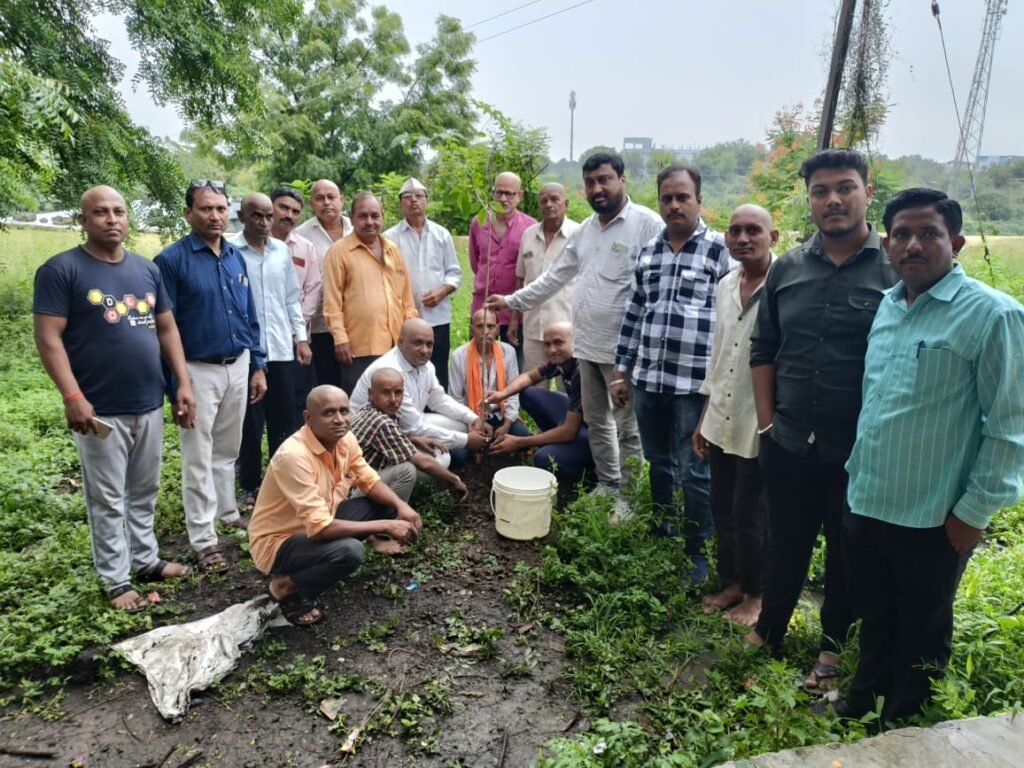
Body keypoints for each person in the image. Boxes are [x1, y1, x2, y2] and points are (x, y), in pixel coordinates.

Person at [818, 189, 1024, 722]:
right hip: (868, 498)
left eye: (928, 233)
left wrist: (973, 514)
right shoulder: (889, 306)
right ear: (887, 245)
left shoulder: (992, 315)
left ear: (955, 242)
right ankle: (862, 701)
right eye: (902, 235)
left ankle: (903, 724)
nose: (914, 244)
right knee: (875, 614)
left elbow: (1010, 427)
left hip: (934, 516)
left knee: (923, 628)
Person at [746, 149, 897, 693]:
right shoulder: (787, 267)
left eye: (845, 187)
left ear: (866, 192)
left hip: (858, 450)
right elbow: (764, 349)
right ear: (808, 199)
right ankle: (770, 628)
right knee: (785, 541)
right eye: (820, 191)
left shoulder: (895, 268)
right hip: (787, 440)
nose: (833, 199)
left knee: (847, 551)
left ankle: (832, 647)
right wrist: (766, 426)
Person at [33, 185, 196, 612]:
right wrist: (72, 395)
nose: (112, 219)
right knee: (106, 498)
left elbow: (166, 329)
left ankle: (145, 560)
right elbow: (48, 338)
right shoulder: (61, 270)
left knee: (144, 490)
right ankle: (117, 579)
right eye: (100, 212)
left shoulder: (146, 270)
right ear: (82, 220)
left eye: (119, 211)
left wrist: (182, 383)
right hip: (99, 408)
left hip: (148, 401)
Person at [488, 152, 662, 503]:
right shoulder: (584, 232)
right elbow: (553, 278)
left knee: (626, 428)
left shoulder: (646, 225)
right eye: (590, 182)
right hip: (585, 346)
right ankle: (608, 485)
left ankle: (627, 497)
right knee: (597, 423)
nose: (597, 188)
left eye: (604, 180)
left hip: (623, 353)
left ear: (622, 181)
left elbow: (658, 289)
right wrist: (511, 301)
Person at [613, 164, 731, 581]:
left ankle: (697, 549)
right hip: (650, 380)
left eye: (683, 197)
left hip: (694, 385)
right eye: (667, 198)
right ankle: (663, 527)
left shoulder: (720, 251)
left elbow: (733, 319)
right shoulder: (649, 252)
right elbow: (634, 315)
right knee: (659, 462)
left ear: (699, 200)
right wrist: (620, 371)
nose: (675, 205)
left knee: (695, 469)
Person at [155, 180, 268, 573]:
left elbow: (249, 315)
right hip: (197, 369)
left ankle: (226, 511)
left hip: (236, 364)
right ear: (188, 214)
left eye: (220, 209)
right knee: (198, 456)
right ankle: (203, 538)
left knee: (227, 447)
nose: (215, 216)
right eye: (206, 209)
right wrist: (178, 384)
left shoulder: (235, 257)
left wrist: (257, 365)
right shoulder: (171, 261)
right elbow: (162, 327)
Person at [249, 385, 422, 625]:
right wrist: (385, 526)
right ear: (308, 418)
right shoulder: (293, 456)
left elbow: (369, 480)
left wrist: (401, 507)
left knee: (388, 504)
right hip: (280, 541)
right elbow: (321, 528)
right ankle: (286, 587)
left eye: (344, 411)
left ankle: (318, 563)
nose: (339, 419)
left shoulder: (345, 439)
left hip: (320, 521)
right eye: (329, 413)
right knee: (350, 551)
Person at [693, 205, 776, 624]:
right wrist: (705, 415)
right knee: (722, 508)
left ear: (772, 238)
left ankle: (757, 594)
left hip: (758, 421)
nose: (743, 238)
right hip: (721, 414)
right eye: (735, 230)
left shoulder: (784, 286)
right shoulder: (725, 284)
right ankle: (733, 582)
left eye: (753, 231)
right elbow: (720, 353)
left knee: (751, 514)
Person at [232, 193, 311, 505]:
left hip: (281, 347)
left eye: (267, 217)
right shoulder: (231, 252)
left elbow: (292, 298)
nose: (264, 223)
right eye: (257, 216)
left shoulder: (280, 252)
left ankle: (282, 480)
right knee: (251, 422)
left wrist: (301, 338)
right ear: (242, 216)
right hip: (248, 351)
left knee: (286, 419)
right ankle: (249, 485)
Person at [349, 319, 492, 467]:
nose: (425, 350)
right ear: (400, 342)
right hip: (373, 442)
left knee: (462, 424)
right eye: (417, 343)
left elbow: (439, 399)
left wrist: (473, 418)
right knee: (441, 459)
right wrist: (466, 441)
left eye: (429, 344)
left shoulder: (426, 366)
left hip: (405, 428)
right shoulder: (391, 372)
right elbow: (414, 428)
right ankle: (396, 475)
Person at [322, 192, 418, 395]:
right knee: (361, 407)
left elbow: (406, 299)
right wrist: (340, 339)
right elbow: (332, 302)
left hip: (396, 347)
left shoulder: (393, 250)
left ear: (383, 216)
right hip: (359, 348)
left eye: (375, 216)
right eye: (363, 216)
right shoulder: (339, 252)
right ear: (352, 217)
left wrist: (410, 336)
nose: (369, 222)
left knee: (394, 404)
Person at [485, 322, 595, 486]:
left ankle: (589, 476)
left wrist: (520, 442)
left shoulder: (582, 370)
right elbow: (529, 377)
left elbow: (569, 432)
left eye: (558, 343)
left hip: (594, 433)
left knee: (543, 458)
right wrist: (502, 394)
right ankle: (554, 440)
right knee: (528, 393)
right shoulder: (561, 361)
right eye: (547, 344)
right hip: (577, 418)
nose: (552, 350)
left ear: (575, 341)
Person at [384, 177, 462, 389]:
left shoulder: (441, 234)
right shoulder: (389, 238)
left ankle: (438, 417)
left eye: (419, 195)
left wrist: (442, 291)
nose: (413, 201)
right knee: (404, 372)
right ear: (400, 203)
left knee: (436, 371)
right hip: (403, 320)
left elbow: (454, 272)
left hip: (437, 318)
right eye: (407, 197)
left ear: (427, 200)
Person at [351, 368, 469, 502]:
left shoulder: (368, 409)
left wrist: (413, 439)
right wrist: (455, 479)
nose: (393, 399)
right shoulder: (381, 422)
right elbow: (423, 463)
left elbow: (386, 440)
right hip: (352, 491)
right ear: (371, 394)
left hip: (352, 480)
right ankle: (392, 516)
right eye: (386, 393)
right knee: (406, 470)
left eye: (398, 392)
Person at [510, 182, 579, 387]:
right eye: (544, 201)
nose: (549, 204)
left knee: (570, 389)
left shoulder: (579, 234)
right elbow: (521, 279)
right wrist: (515, 319)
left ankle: (568, 421)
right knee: (535, 389)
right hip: (533, 327)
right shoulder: (529, 235)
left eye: (555, 199)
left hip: (567, 329)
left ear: (566, 203)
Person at [469, 172, 537, 351]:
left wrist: (515, 314)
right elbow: (475, 263)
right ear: (492, 193)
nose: (503, 199)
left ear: (520, 195)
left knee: (513, 365)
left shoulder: (530, 227)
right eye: (499, 193)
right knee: (479, 362)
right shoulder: (478, 222)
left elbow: (529, 274)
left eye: (510, 194)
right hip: (482, 308)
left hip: (514, 310)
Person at [294, 179, 351, 388]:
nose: (326, 203)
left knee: (354, 386)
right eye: (320, 198)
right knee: (326, 387)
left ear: (342, 200)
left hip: (355, 324)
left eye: (331, 197)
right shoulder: (300, 235)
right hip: (318, 326)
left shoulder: (357, 230)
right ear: (311, 204)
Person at [270, 187, 321, 422]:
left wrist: (296, 329)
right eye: (283, 207)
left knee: (296, 402)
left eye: (295, 211)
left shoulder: (304, 247)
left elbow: (313, 289)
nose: (288, 215)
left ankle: (294, 454)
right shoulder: (249, 246)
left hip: (297, 341)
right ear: (271, 207)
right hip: (263, 342)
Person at [449, 308, 530, 442]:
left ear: (498, 329)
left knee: (521, 435)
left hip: (501, 414)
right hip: (471, 417)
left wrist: (507, 424)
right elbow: (455, 398)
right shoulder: (459, 356)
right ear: (471, 329)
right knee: (459, 455)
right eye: (480, 326)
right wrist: (474, 421)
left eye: (491, 326)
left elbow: (513, 393)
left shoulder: (508, 352)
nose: (486, 331)